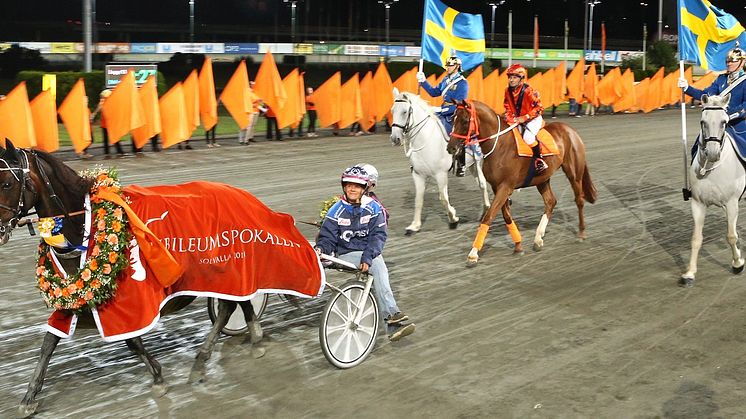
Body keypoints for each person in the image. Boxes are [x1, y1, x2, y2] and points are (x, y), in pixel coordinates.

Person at [314, 165, 415, 342]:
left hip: (369, 253)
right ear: (344, 187)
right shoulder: (335, 211)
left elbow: (378, 236)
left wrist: (368, 256)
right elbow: (327, 237)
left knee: (377, 264)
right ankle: (392, 316)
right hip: (346, 255)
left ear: (364, 188)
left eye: (357, 185)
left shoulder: (375, 209)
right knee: (378, 266)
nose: (352, 188)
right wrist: (322, 249)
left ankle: (392, 322)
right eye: (349, 185)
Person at [679, 44, 746, 145]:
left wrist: (728, 116)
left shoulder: (744, 81)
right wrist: (687, 88)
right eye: (727, 61)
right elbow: (705, 95)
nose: (729, 63)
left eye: (733, 61)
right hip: (717, 123)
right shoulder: (721, 79)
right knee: (697, 146)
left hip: (737, 123)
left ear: (742, 63)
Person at [417, 55, 469, 176]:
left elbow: (459, 105)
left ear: (457, 67)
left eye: (450, 65)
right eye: (447, 65)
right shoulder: (446, 80)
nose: (448, 68)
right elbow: (434, 92)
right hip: (443, 110)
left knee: (457, 135)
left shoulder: (462, 83)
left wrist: (441, 110)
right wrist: (423, 81)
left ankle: (462, 165)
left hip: (455, 113)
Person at [503, 63, 548, 174]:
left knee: (528, 138)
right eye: (510, 77)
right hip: (518, 119)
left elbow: (540, 108)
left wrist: (525, 117)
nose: (511, 80)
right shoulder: (507, 91)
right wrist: (509, 117)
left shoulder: (528, 91)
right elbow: (507, 106)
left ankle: (539, 160)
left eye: (514, 77)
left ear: (521, 78)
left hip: (533, 118)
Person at [90, 89, 127, 159]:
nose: (101, 98)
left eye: (102, 96)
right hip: (108, 122)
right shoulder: (109, 101)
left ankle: (110, 152)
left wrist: (94, 114)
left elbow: (100, 107)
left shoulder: (108, 101)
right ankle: (119, 152)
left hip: (108, 122)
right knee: (113, 138)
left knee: (109, 138)